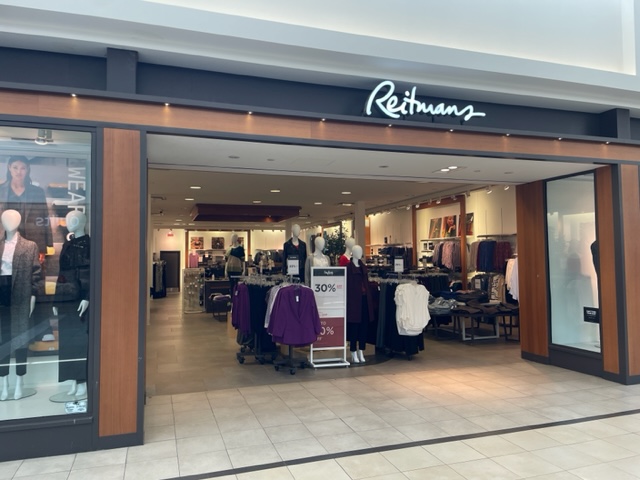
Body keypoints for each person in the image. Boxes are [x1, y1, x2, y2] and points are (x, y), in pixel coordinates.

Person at [0, 210, 40, 401]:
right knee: (2, 340)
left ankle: (19, 381)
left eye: (13, 218)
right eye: (5, 219)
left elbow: (36, 273)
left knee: (20, 338)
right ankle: (3, 383)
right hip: (2, 292)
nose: (9, 222)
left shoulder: (30, 246)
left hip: (21, 292)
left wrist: (33, 295)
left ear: (19, 221)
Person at [53, 211, 90, 398]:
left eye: (73, 219)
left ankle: (82, 379)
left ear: (82, 222)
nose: (68, 222)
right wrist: (56, 298)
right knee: (67, 340)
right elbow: (61, 273)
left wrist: (87, 296)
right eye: (66, 219)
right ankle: (72, 379)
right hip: (65, 297)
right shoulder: (67, 245)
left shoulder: (90, 245)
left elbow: (90, 272)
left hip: (80, 297)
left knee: (80, 339)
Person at [0, 156, 53, 263]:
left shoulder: (37, 192)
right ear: (9, 168)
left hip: (32, 240)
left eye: (23, 168)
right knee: (6, 271)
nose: (18, 172)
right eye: (15, 167)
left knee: (30, 271)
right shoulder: (1, 190)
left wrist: (44, 247)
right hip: (5, 240)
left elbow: (44, 218)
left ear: (28, 169)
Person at [345, 245, 374, 364]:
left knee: (364, 326)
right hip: (354, 301)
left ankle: (361, 350)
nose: (360, 253)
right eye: (357, 251)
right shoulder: (348, 268)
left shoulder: (363, 267)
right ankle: (353, 351)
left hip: (364, 300)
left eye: (361, 251)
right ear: (353, 253)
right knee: (354, 327)